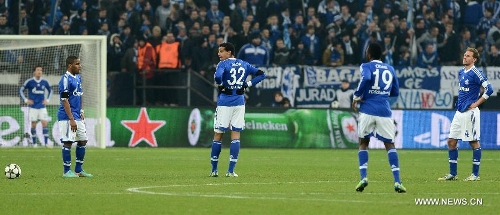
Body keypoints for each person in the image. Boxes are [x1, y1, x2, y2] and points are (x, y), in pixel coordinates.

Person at [352, 42, 406, 193]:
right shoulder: (390, 69)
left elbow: (366, 78)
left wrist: (357, 96)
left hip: (367, 110)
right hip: (384, 111)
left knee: (363, 143)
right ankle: (397, 182)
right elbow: (395, 92)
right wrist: (381, 94)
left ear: (369, 54)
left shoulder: (366, 66)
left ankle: (363, 177)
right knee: (390, 145)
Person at [210, 42, 266, 177]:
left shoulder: (223, 64)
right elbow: (262, 74)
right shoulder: (244, 64)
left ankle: (214, 170)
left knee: (218, 135)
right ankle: (230, 171)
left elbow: (217, 77)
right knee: (235, 135)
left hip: (224, 103)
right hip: (239, 103)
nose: (219, 54)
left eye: (222, 51)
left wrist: (221, 84)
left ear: (229, 52)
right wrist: (246, 84)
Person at [438, 47, 494, 181]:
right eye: (464, 55)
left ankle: (475, 175)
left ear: (474, 59)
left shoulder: (476, 72)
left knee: (473, 142)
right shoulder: (461, 72)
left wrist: (476, 103)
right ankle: (453, 174)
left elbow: (489, 89)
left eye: (468, 56)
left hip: (470, 112)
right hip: (459, 112)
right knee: (451, 141)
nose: (465, 57)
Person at [57, 56, 93, 178]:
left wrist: (81, 110)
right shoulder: (65, 80)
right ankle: (66, 171)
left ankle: (78, 170)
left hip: (78, 116)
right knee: (67, 142)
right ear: (70, 65)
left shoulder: (78, 78)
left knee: (83, 140)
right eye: (77, 64)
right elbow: (64, 100)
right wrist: (71, 119)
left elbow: (79, 95)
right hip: (67, 117)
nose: (80, 66)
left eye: (79, 63)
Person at [19, 65, 53, 147]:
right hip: (33, 107)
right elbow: (21, 90)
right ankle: (34, 144)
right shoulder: (29, 82)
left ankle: (45, 144)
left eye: (41, 70)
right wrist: (26, 100)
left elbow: (51, 90)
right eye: (38, 70)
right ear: (34, 72)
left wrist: (48, 100)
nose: (39, 72)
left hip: (42, 107)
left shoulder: (45, 82)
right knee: (33, 124)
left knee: (44, 123)